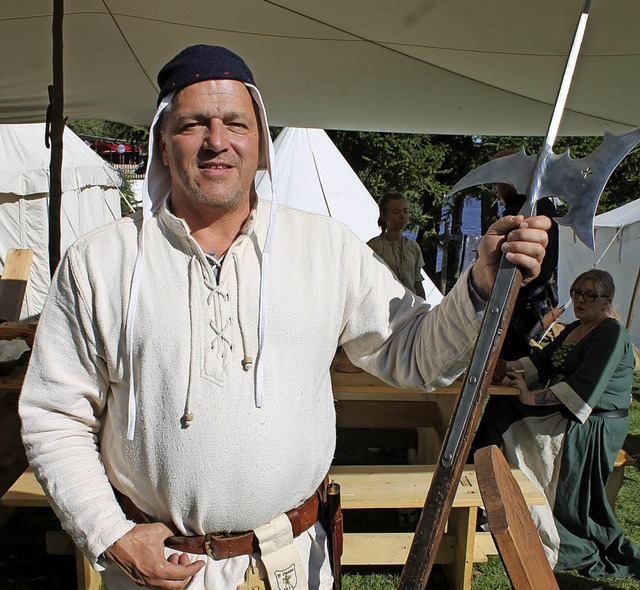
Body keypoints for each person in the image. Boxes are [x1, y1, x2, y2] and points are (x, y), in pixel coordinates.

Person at [18, 45, 550, 590]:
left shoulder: (324, 247)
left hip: (292, 566)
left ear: (261, 141)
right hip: (158, 572)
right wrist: (110, 533)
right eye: (193, 124)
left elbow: (414, 355)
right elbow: (53, 416)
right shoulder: (102, 262)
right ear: (161, 138)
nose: (216, 141)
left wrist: (479, 286)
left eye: (235, 124)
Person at [476, 269, 640, 578]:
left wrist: (530, 399)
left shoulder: (610, 333)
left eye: (589, 294)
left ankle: (494, 492)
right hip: (570, 411)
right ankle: (488, 493)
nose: (580, 299)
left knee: (507, 413)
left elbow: (584, 388)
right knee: (501, 407)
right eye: (577, 292)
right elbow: (542, 361)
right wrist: (494, 366)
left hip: (591, 423)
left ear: (606, 300)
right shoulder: (575, 328)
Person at [492, 149, 560, 361]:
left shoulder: (529, 207)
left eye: (497, 180)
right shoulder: (537, 203)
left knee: (513, 369)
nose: (496, 188)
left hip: (524, 305)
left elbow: (516, 263)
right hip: (524, 302)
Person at [367, 191, 426, 298]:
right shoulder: (374, 247)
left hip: (410, 308)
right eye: (396, 212)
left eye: (405, 211)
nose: (402, 216)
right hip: (384, 308)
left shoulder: (413, 247)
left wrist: (423, 310)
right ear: (384, 215)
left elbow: (417, 283)